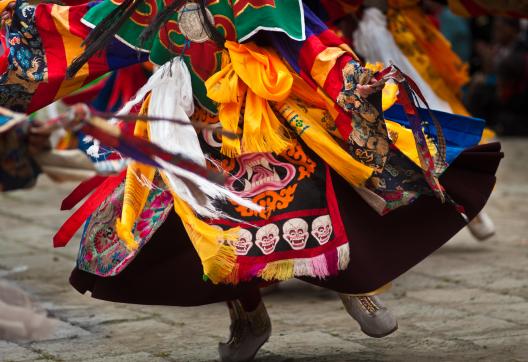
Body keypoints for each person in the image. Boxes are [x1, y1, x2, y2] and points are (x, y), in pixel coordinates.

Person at [0, 1, 502, 361]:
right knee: (211, 230)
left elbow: (315, 46)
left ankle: (359, 288)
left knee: (321, 206)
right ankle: (247, 315)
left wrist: (350, 80)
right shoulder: (136, 6)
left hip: (270, 119)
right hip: (191, 129)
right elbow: (66, 33)